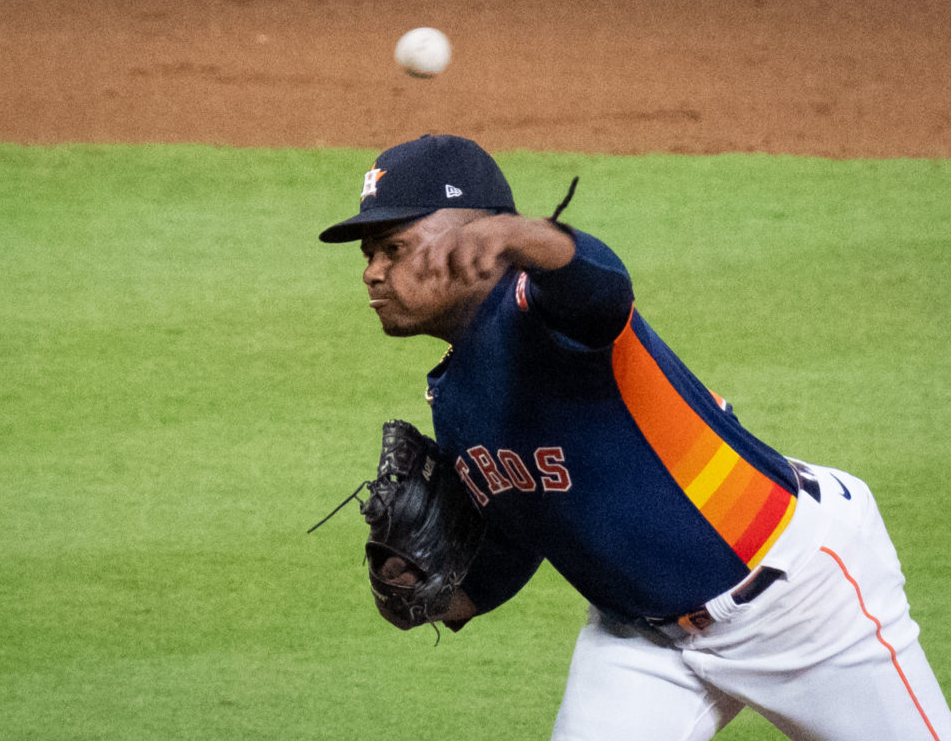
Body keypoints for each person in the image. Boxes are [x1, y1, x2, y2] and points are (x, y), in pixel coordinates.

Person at [319, 134, 951, 740]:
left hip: (799, 599)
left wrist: (528, 236)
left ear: (472, 233)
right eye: (368, 256)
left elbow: (602, 286)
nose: (373, 273)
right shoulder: (454, 395)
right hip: (643, 641)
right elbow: (520, 536)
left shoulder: (544, 310)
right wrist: (440, 594)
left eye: (394, 247)